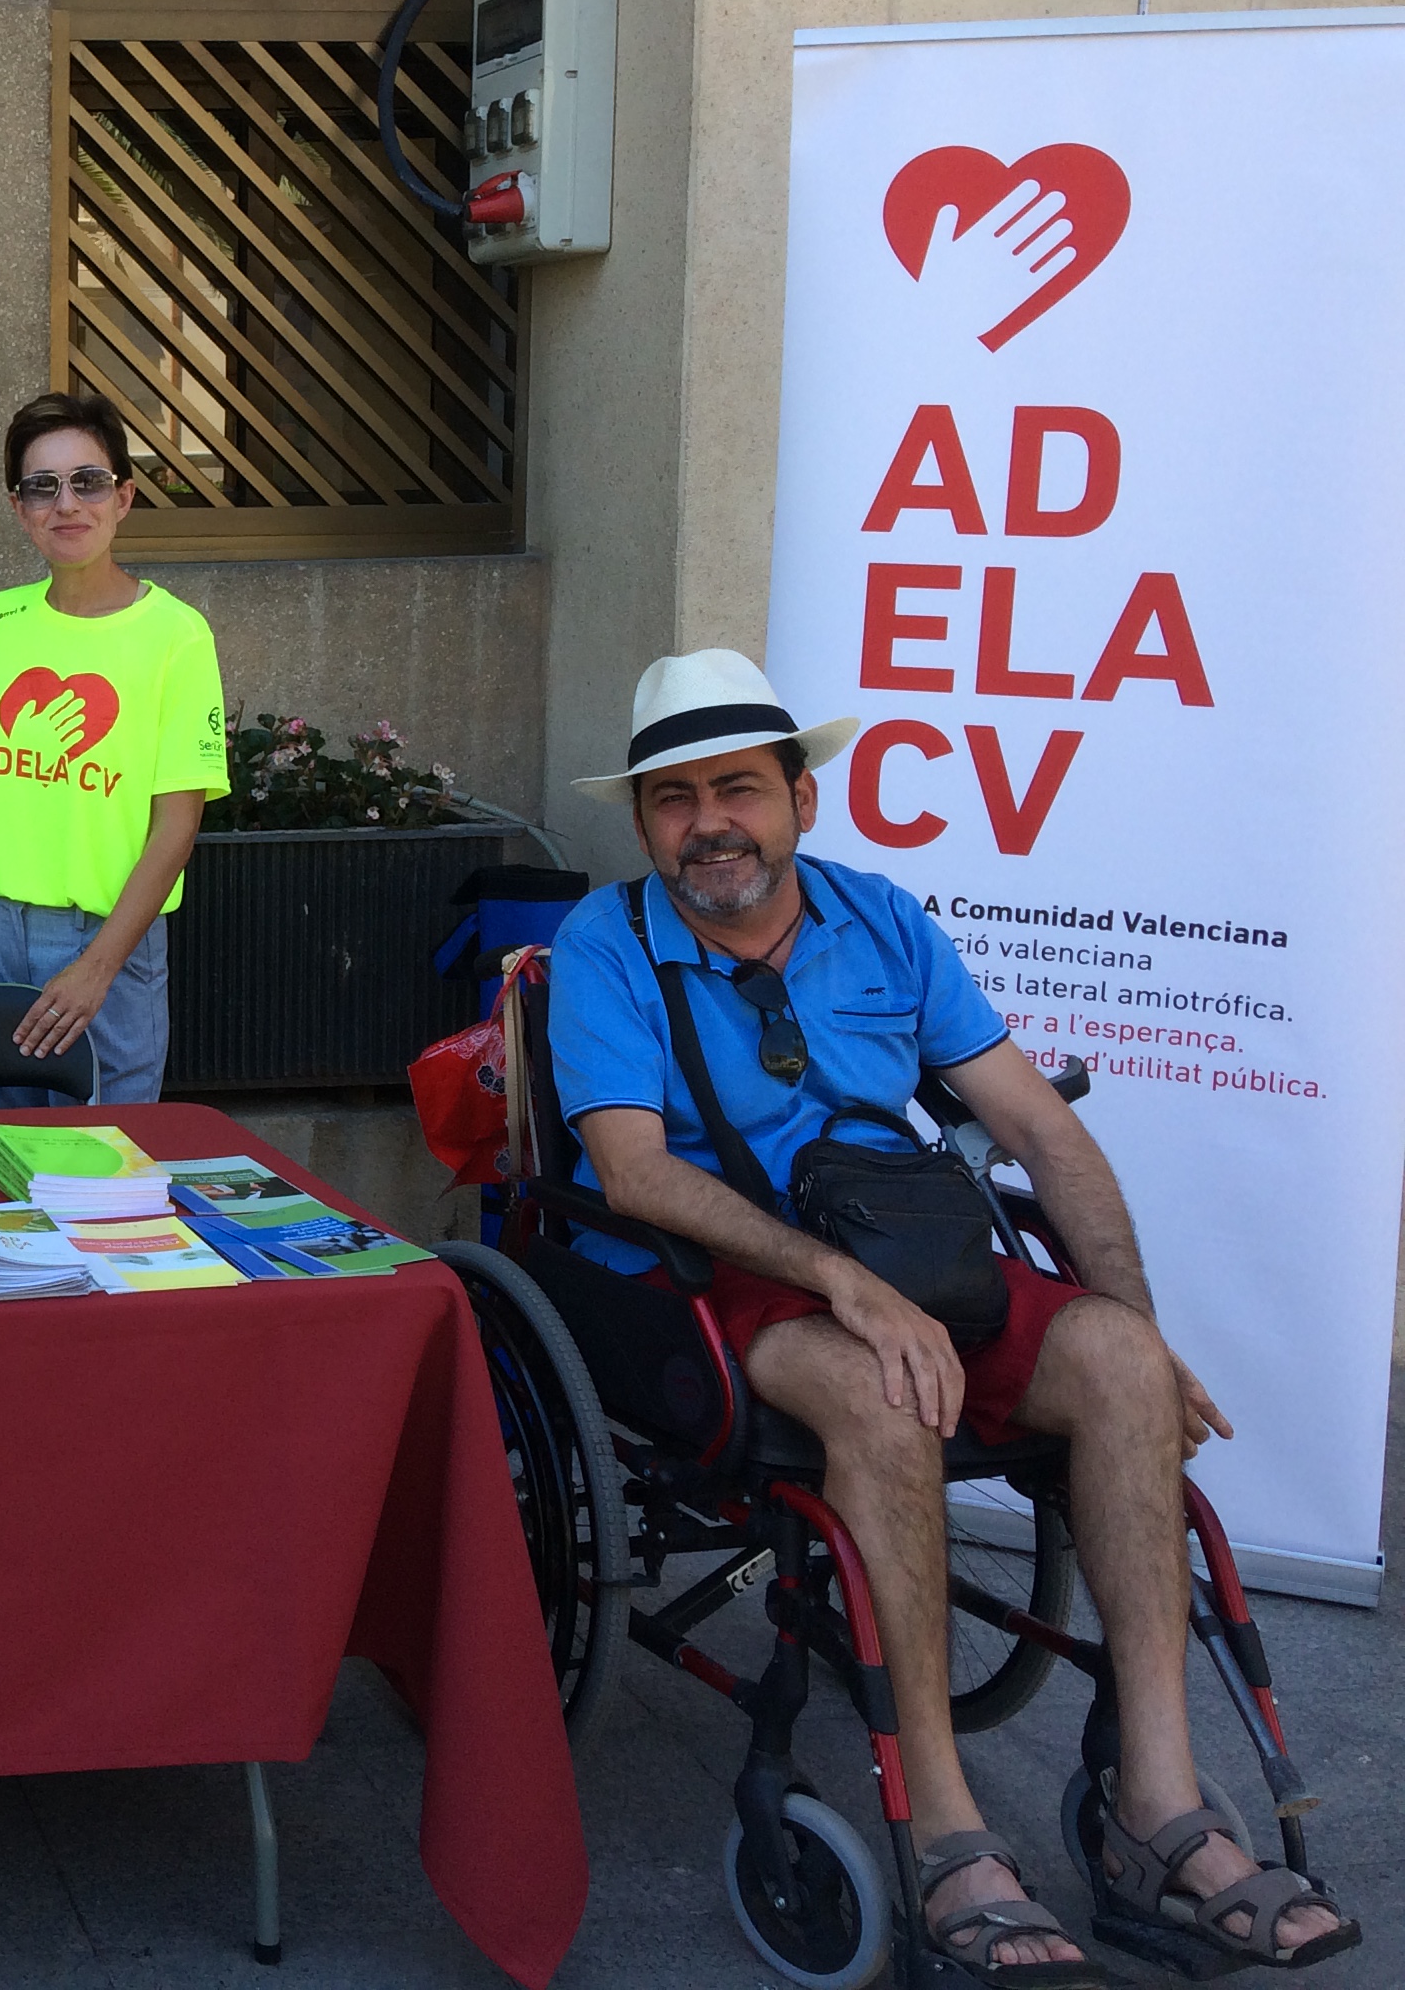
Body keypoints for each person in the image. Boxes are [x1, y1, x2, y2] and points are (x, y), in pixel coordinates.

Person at [550, 650, 1358, 1982]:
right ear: (643, 823)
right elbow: (636, 1170)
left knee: (1113, 1364)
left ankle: (1157, 1808)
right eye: (673, 799)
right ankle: (944, 1826)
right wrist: (839, 1285)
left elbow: (1035, 1121)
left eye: (738, 789)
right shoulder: (607, 943)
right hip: (710, 1276)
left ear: (801, 796)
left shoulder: (885, 921)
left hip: (909, 1253)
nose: (709, 824)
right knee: (883, 1392)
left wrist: (1138, 1329)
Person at [0, 391, 226, 1104]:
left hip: (108, 939)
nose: (66, 504)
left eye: (88, 482)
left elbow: (177, 827)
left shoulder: (177, 633)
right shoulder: (2, 619)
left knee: (104, 1162)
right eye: (42, 486)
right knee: (1, 1158)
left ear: (124, 496)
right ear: (19, 508)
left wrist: (98, 968)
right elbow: (2, 778)